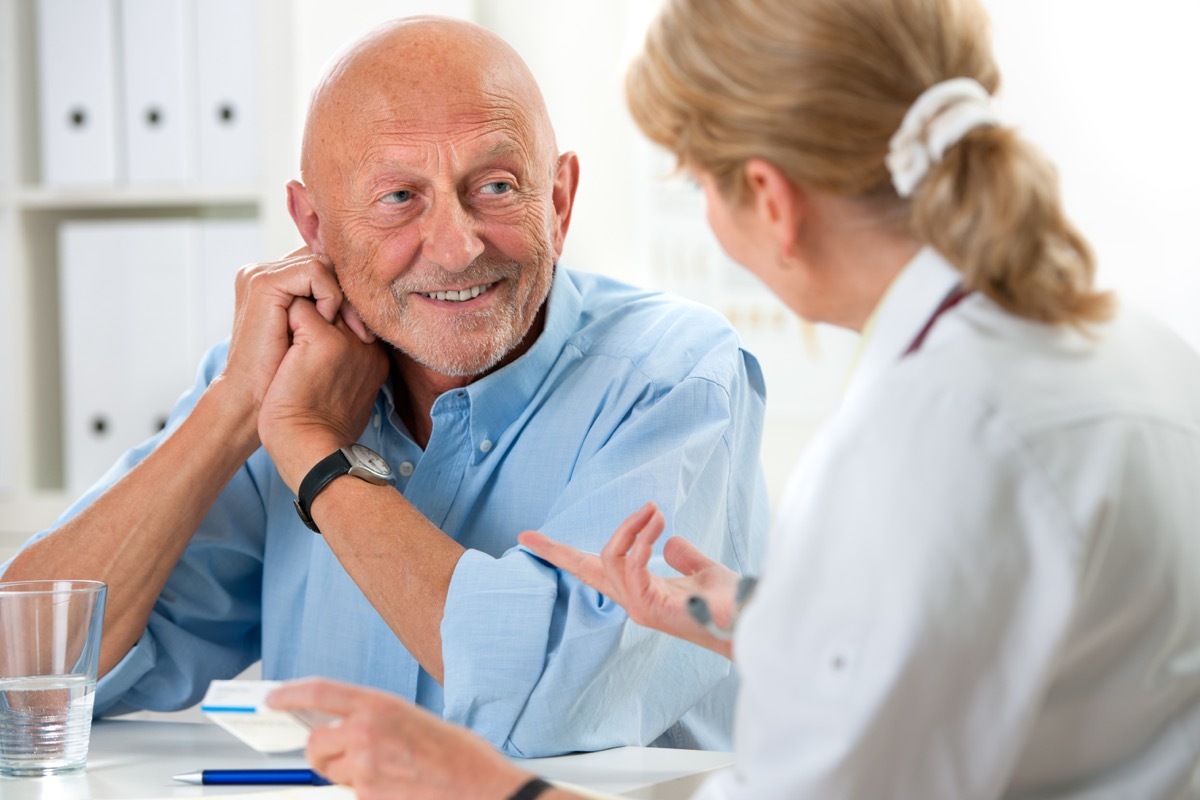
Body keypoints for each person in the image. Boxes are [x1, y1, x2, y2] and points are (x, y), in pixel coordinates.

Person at [265, 0, 1200, 797]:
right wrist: (776, 624)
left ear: (769, 198)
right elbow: (1005, 662)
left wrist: (486, 784)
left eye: (696, 182)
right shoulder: (1132, 348)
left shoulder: (927, 433)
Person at [1, 16, 771, 756]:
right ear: (314, 226)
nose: (457, 245)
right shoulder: (274, 384)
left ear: (559, 201)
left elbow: (550, 703)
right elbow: (26, 676)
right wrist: (235, 407)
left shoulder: (675, 375)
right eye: (399, 198)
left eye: (497, 187)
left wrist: (314, 453)